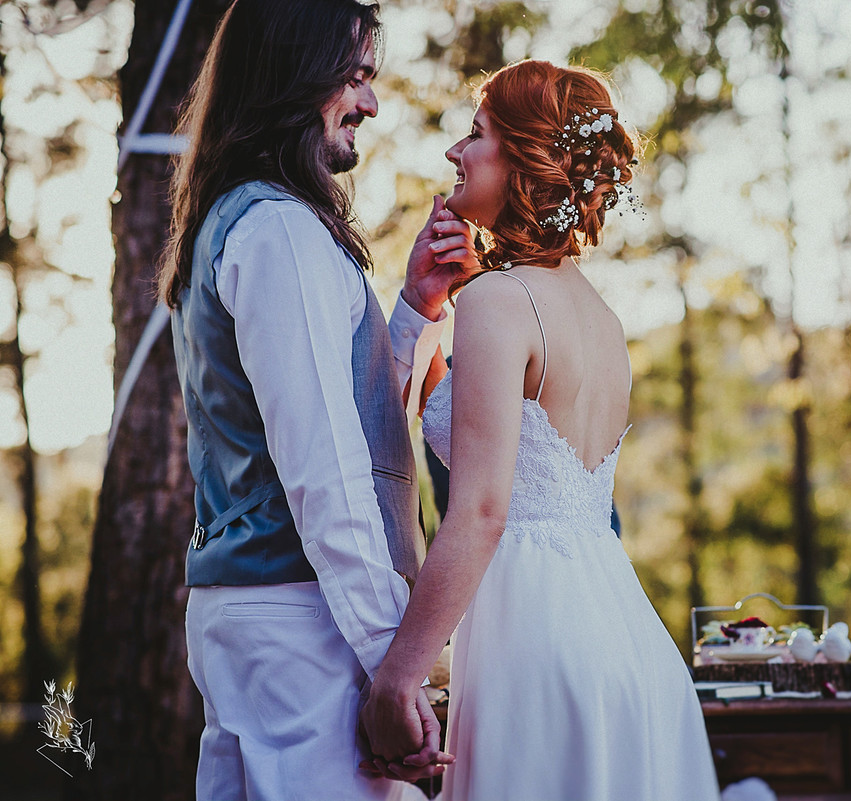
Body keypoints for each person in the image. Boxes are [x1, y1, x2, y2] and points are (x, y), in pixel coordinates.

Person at [359, 60, 721, 801]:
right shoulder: (602, 318)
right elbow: (470, 432)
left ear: (525, 161)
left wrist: (398, 675)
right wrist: (431, 302)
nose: (455, 153)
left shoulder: (499, 301)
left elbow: (485, 508)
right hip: (623, 636)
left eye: (477, 133)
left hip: (537, 646)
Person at [160, 1, 466, 797]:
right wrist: (391, 665)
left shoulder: (248, 222)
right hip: (303, 617)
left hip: (266, 612)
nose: (370, 103)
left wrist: (417, 307)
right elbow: (325, 470)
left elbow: (349, 418)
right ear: (296, 73)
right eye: (357, 78)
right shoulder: (279, 232)